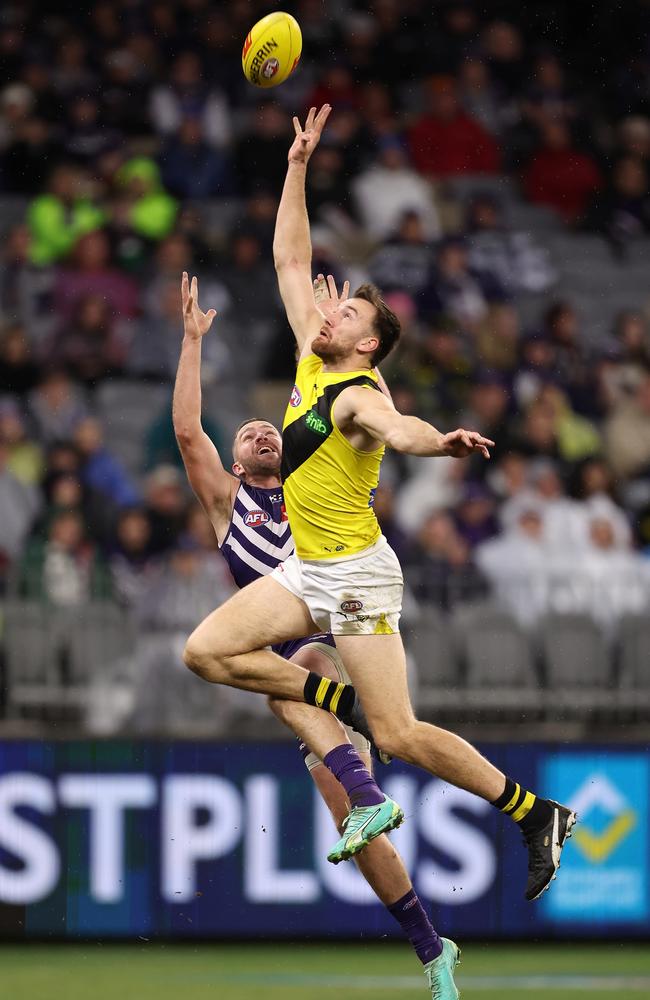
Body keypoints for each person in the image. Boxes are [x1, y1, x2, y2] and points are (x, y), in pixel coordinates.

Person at [181, 106, 576, 968]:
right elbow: (290, 257)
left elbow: (403, 433)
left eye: (348, 313)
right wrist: (297, 165)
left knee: (396, 737)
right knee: (205, 653)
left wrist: (443, 440)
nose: (329, 310)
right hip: (307, 570)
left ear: (369, 342)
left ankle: (535, 814)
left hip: (357, 575)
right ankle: (338, 707)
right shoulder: (314, 362)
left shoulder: (359, 394)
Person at [174, 273, 450, 998]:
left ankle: (360, 748)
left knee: (302, 663)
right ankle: (432, 950)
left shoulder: (311, 489)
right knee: (361, 827)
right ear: (235, 464)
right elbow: (185, 430)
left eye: (268, 426)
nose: (262, 431)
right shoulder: (226, 503)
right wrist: (192, 344)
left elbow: (358, 399)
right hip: (287, 660)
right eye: (248, 435)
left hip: (336, 634)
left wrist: (337, 341)